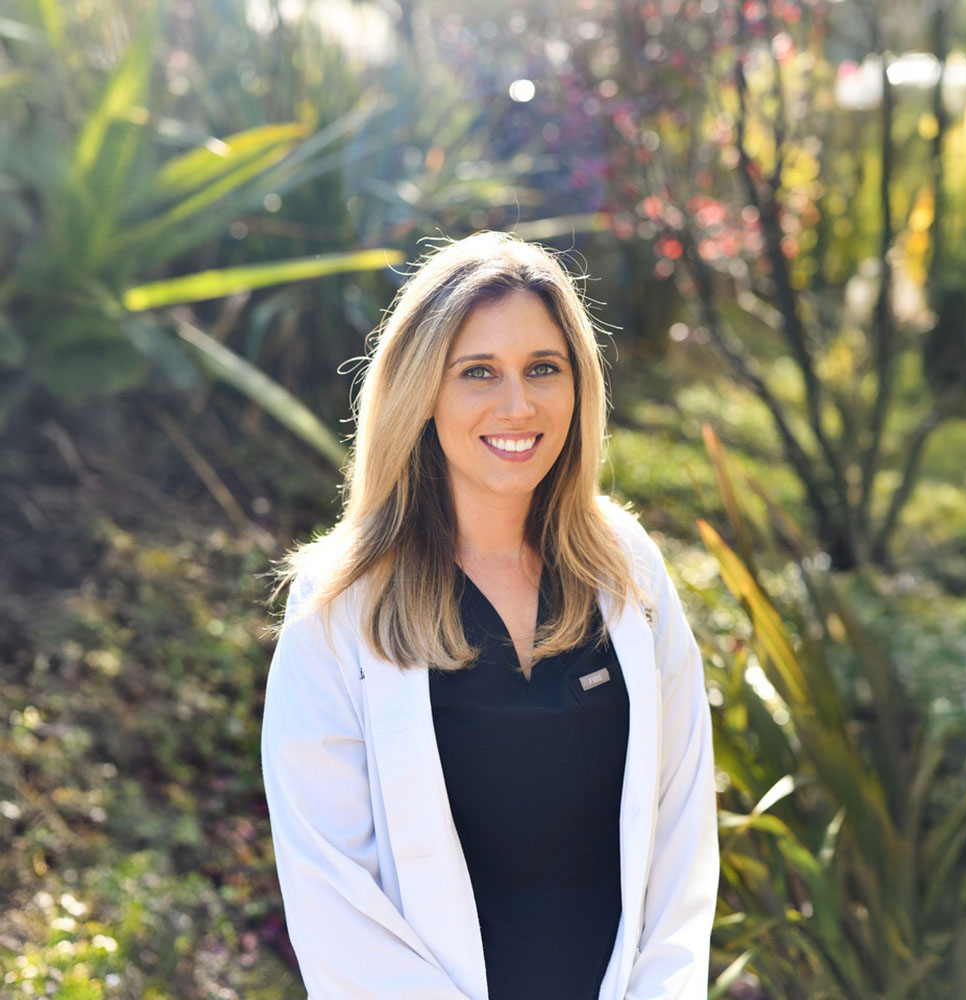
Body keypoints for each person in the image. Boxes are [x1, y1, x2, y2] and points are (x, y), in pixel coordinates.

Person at [261, 231, 719, 1000]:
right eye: (478, 373)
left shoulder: (628, 571)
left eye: (545, 368)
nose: (519, 404)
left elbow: (681, 840)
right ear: (421, 393)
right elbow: (334, 896)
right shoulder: (340, 606)